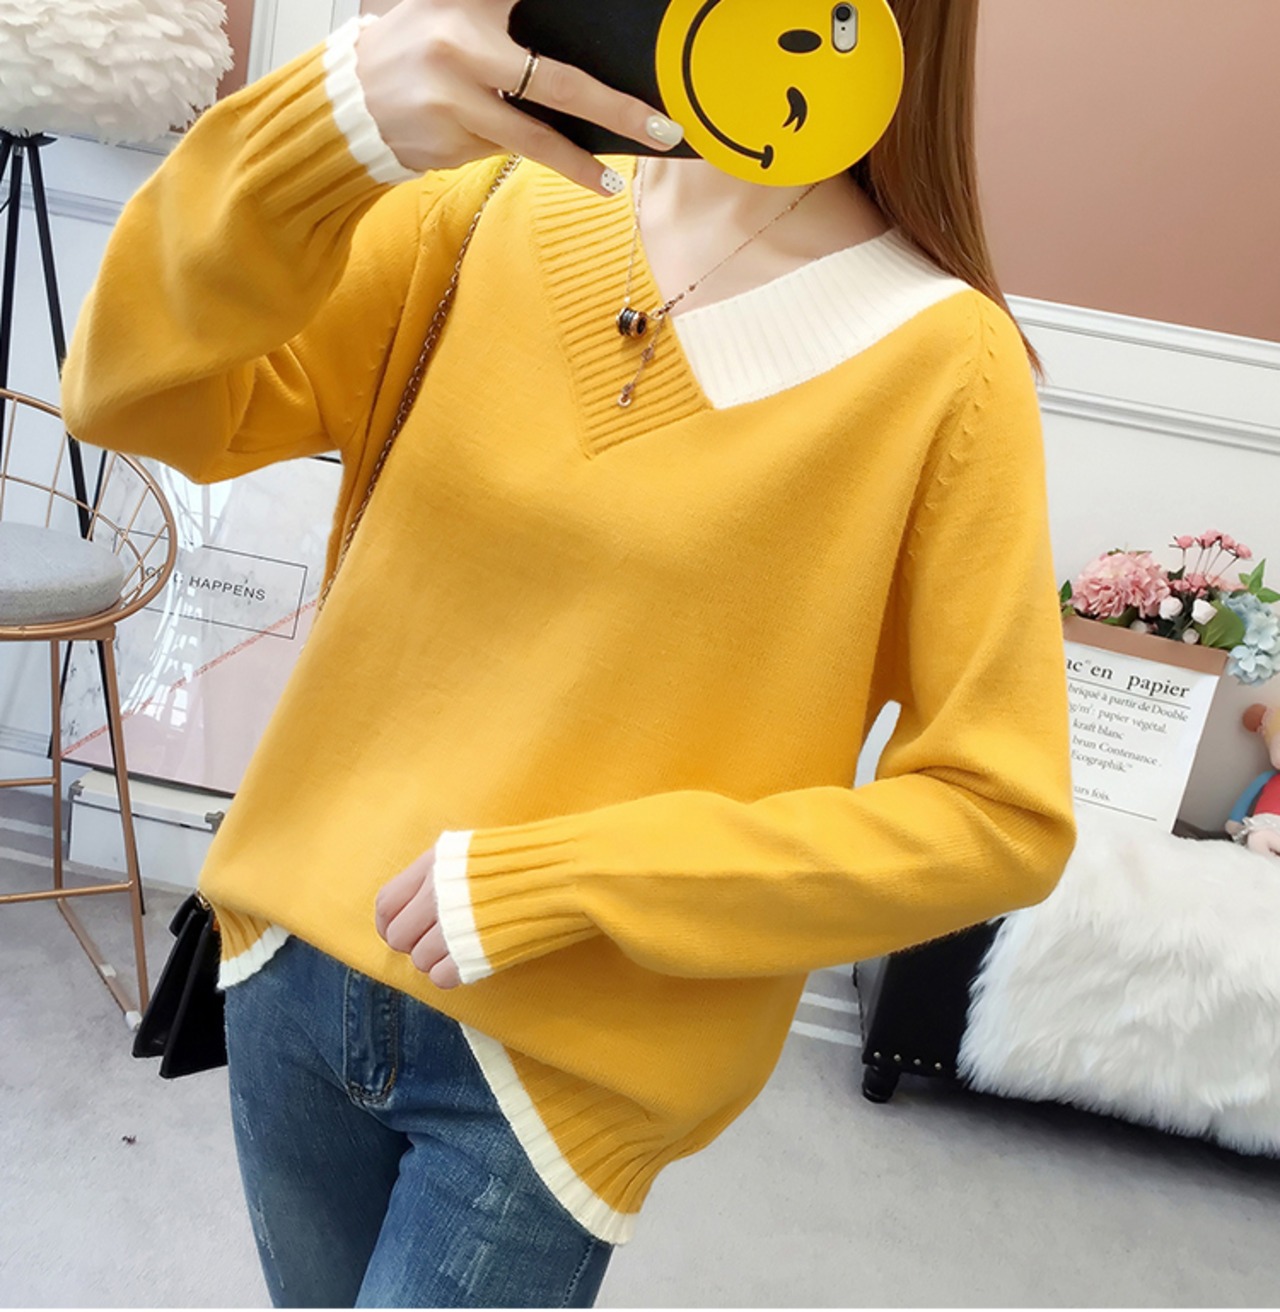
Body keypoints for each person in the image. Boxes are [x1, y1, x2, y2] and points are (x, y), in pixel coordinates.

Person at [61, 0, 1077, 1305]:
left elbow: (998, 816)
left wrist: (575, 879)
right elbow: (132, 394)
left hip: (552, 1075)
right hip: (291, 965)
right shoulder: (478, 209)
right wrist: (331, 120)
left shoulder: (944, 364)